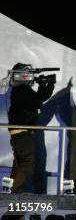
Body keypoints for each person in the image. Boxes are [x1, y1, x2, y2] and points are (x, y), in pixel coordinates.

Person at [7, 62, 55, 193]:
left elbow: (40, 98)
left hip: (21, 132)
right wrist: (42, 84)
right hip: (22, 132)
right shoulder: (21, 89)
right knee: (27, 164)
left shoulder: (21, 90)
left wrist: (49, 84)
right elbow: (36, 102)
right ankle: (17, 189)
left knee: (19, 164)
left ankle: (12, 189)